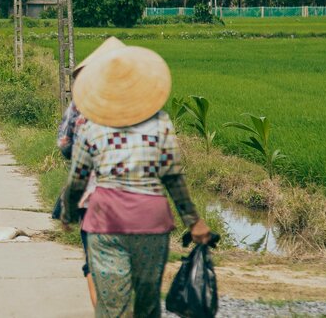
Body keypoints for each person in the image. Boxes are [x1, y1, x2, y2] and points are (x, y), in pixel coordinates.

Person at [59, 41, 211, 318]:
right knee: (147, 303)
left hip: (105, 221)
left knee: (111, 305)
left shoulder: (90, 125)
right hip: (150, 221)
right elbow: (173, 177)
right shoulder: (160, 123)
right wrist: (194, 221)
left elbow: (78, 178)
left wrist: (68, 212)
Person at [55, 36, 126, 309]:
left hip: (94, 197)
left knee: (95, 265)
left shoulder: (82, 106)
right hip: (141, 200)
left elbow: (64, 146)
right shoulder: (146, 107)